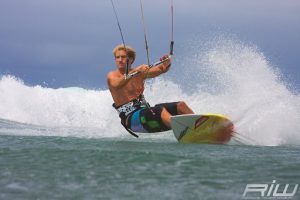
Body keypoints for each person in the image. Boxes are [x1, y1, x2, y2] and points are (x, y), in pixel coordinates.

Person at [107, 44, 194, 136]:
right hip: (131, 119)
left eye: (123, 57)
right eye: (117, 57)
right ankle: (188, 132)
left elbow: (161, 69)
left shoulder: (139, 74)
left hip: (145, 113)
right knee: (158, 110)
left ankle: (200, 126)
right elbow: (117, 84)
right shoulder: (112, 76)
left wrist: (166, 63)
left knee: (180, 105)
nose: (120, 60)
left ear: (131, 59)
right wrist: (136, 70)